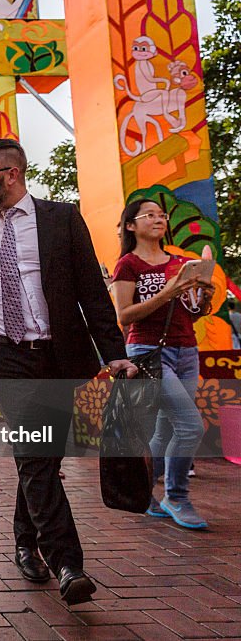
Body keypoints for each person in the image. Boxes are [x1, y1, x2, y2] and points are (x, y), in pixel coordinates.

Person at [0, 139, 135, 606]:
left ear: (11, 174)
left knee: (42, 459)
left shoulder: (61, 219)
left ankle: (24, 541)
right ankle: (67, 562)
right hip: (2, 356)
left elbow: (93, 291)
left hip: (60, 356)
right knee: (35, 453)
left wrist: (114, 353)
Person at [110, 199, 213, 529]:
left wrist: (203, 298)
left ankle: (144, 492)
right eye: (149, 215)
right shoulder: (128, 265)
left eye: (161, 215)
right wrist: (167, 292)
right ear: (131, 225)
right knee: (190, 426)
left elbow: (192, 311)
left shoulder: (182, 262)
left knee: (166, 429)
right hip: (146, 351)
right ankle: (177, 496)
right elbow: (124, 316)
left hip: (186, 350)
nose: (158, 219)